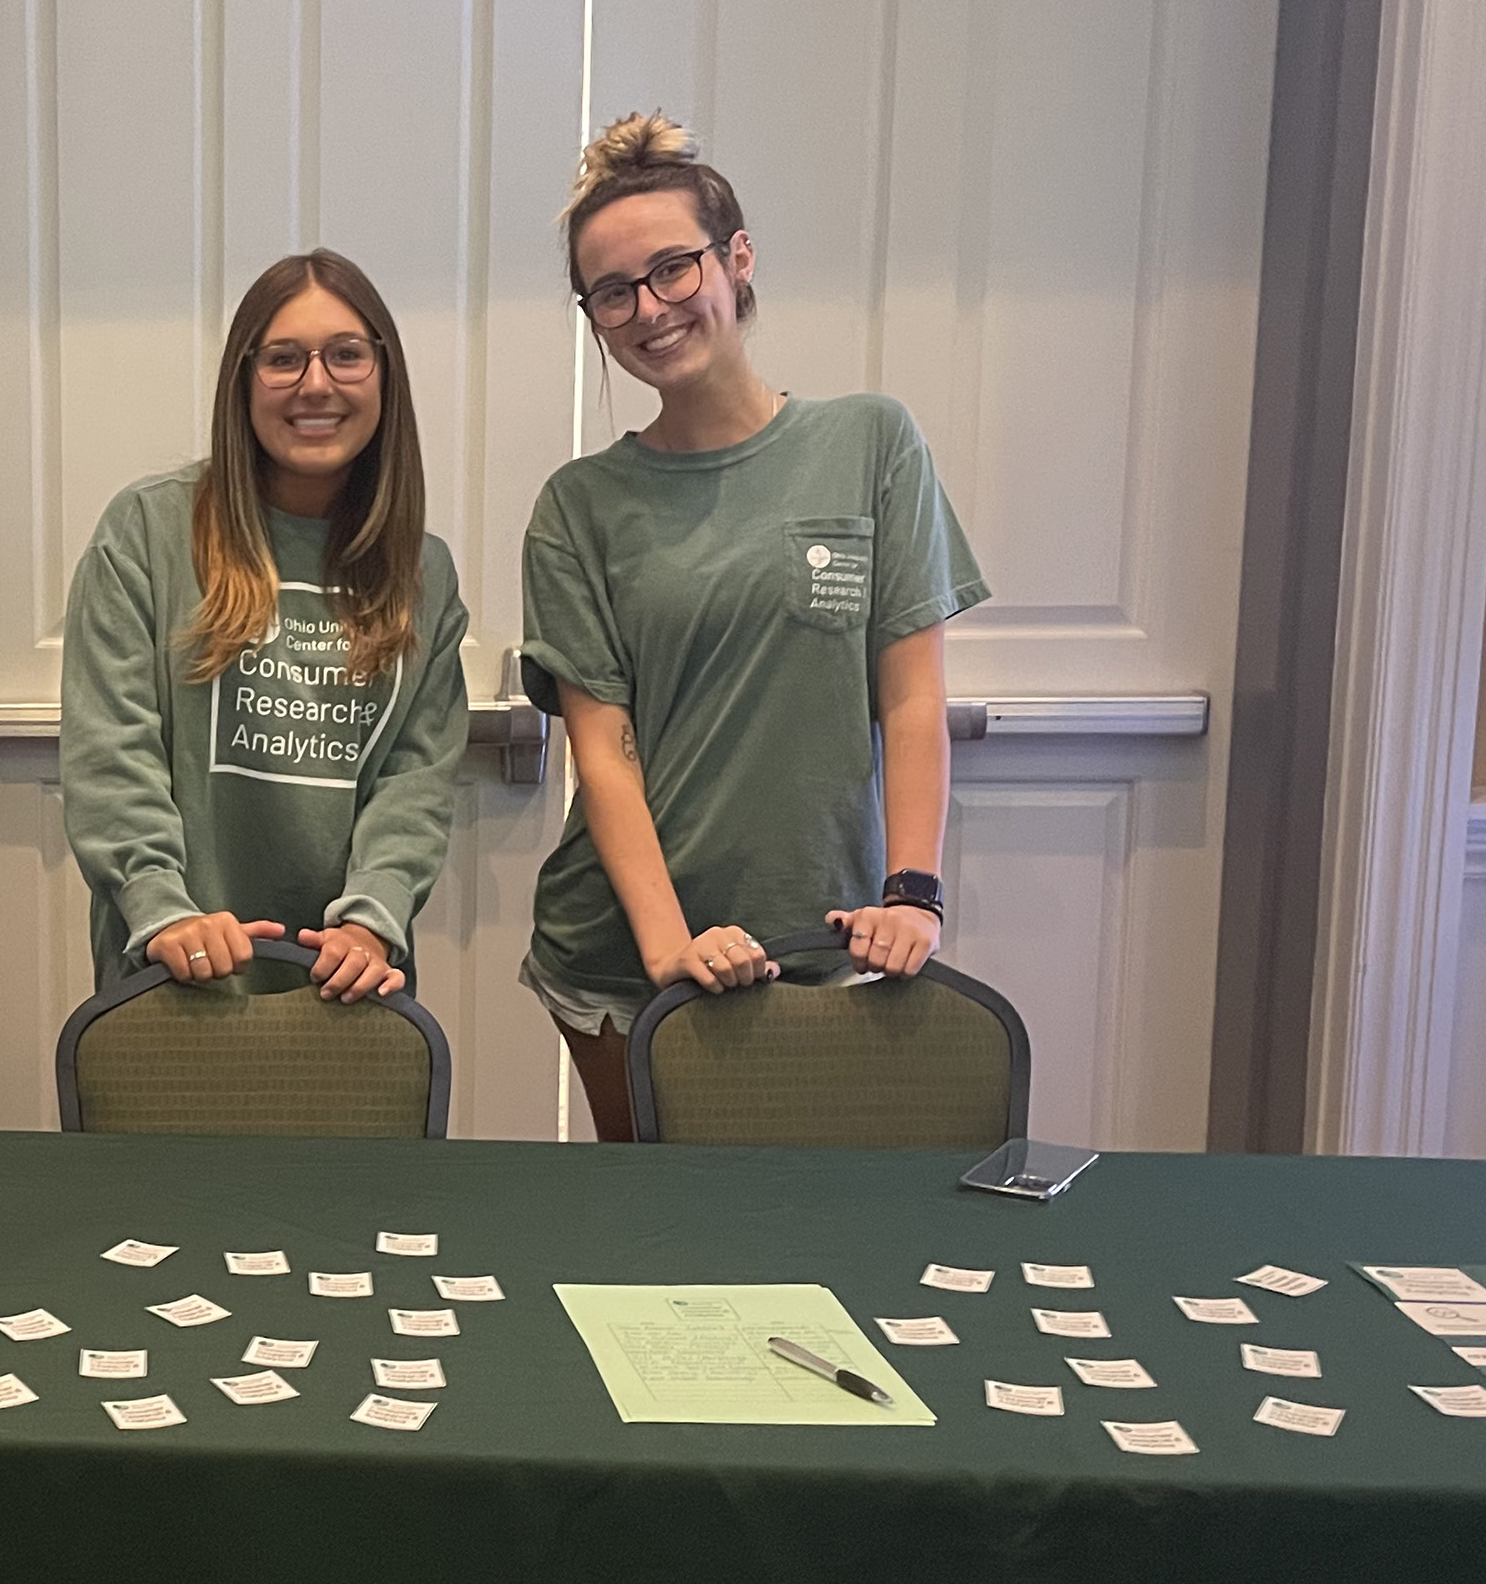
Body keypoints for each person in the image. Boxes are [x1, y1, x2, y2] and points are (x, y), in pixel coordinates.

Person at [520, 114, 988, 1136]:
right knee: (647, 1236)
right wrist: (666, 950)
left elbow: (910, 700)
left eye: (672, 269)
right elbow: (601, 755)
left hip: (829, 935)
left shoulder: (870, 443)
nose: (648, 308)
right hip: (623, 954)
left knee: (809, 1233)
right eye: (611, 291)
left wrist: (912, 895)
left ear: (735, 261)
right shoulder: (579, 507)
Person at [62, 247, 467, 1006]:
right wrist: (163, 908)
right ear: (244, 380)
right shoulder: (148, 530)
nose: (316, 383)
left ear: (384, 374)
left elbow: (416, 782)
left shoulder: (425, 573)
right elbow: (110, 752)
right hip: (170, 978)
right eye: (284, 358)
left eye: (346, 355)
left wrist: (373, 922)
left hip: (348, 990)